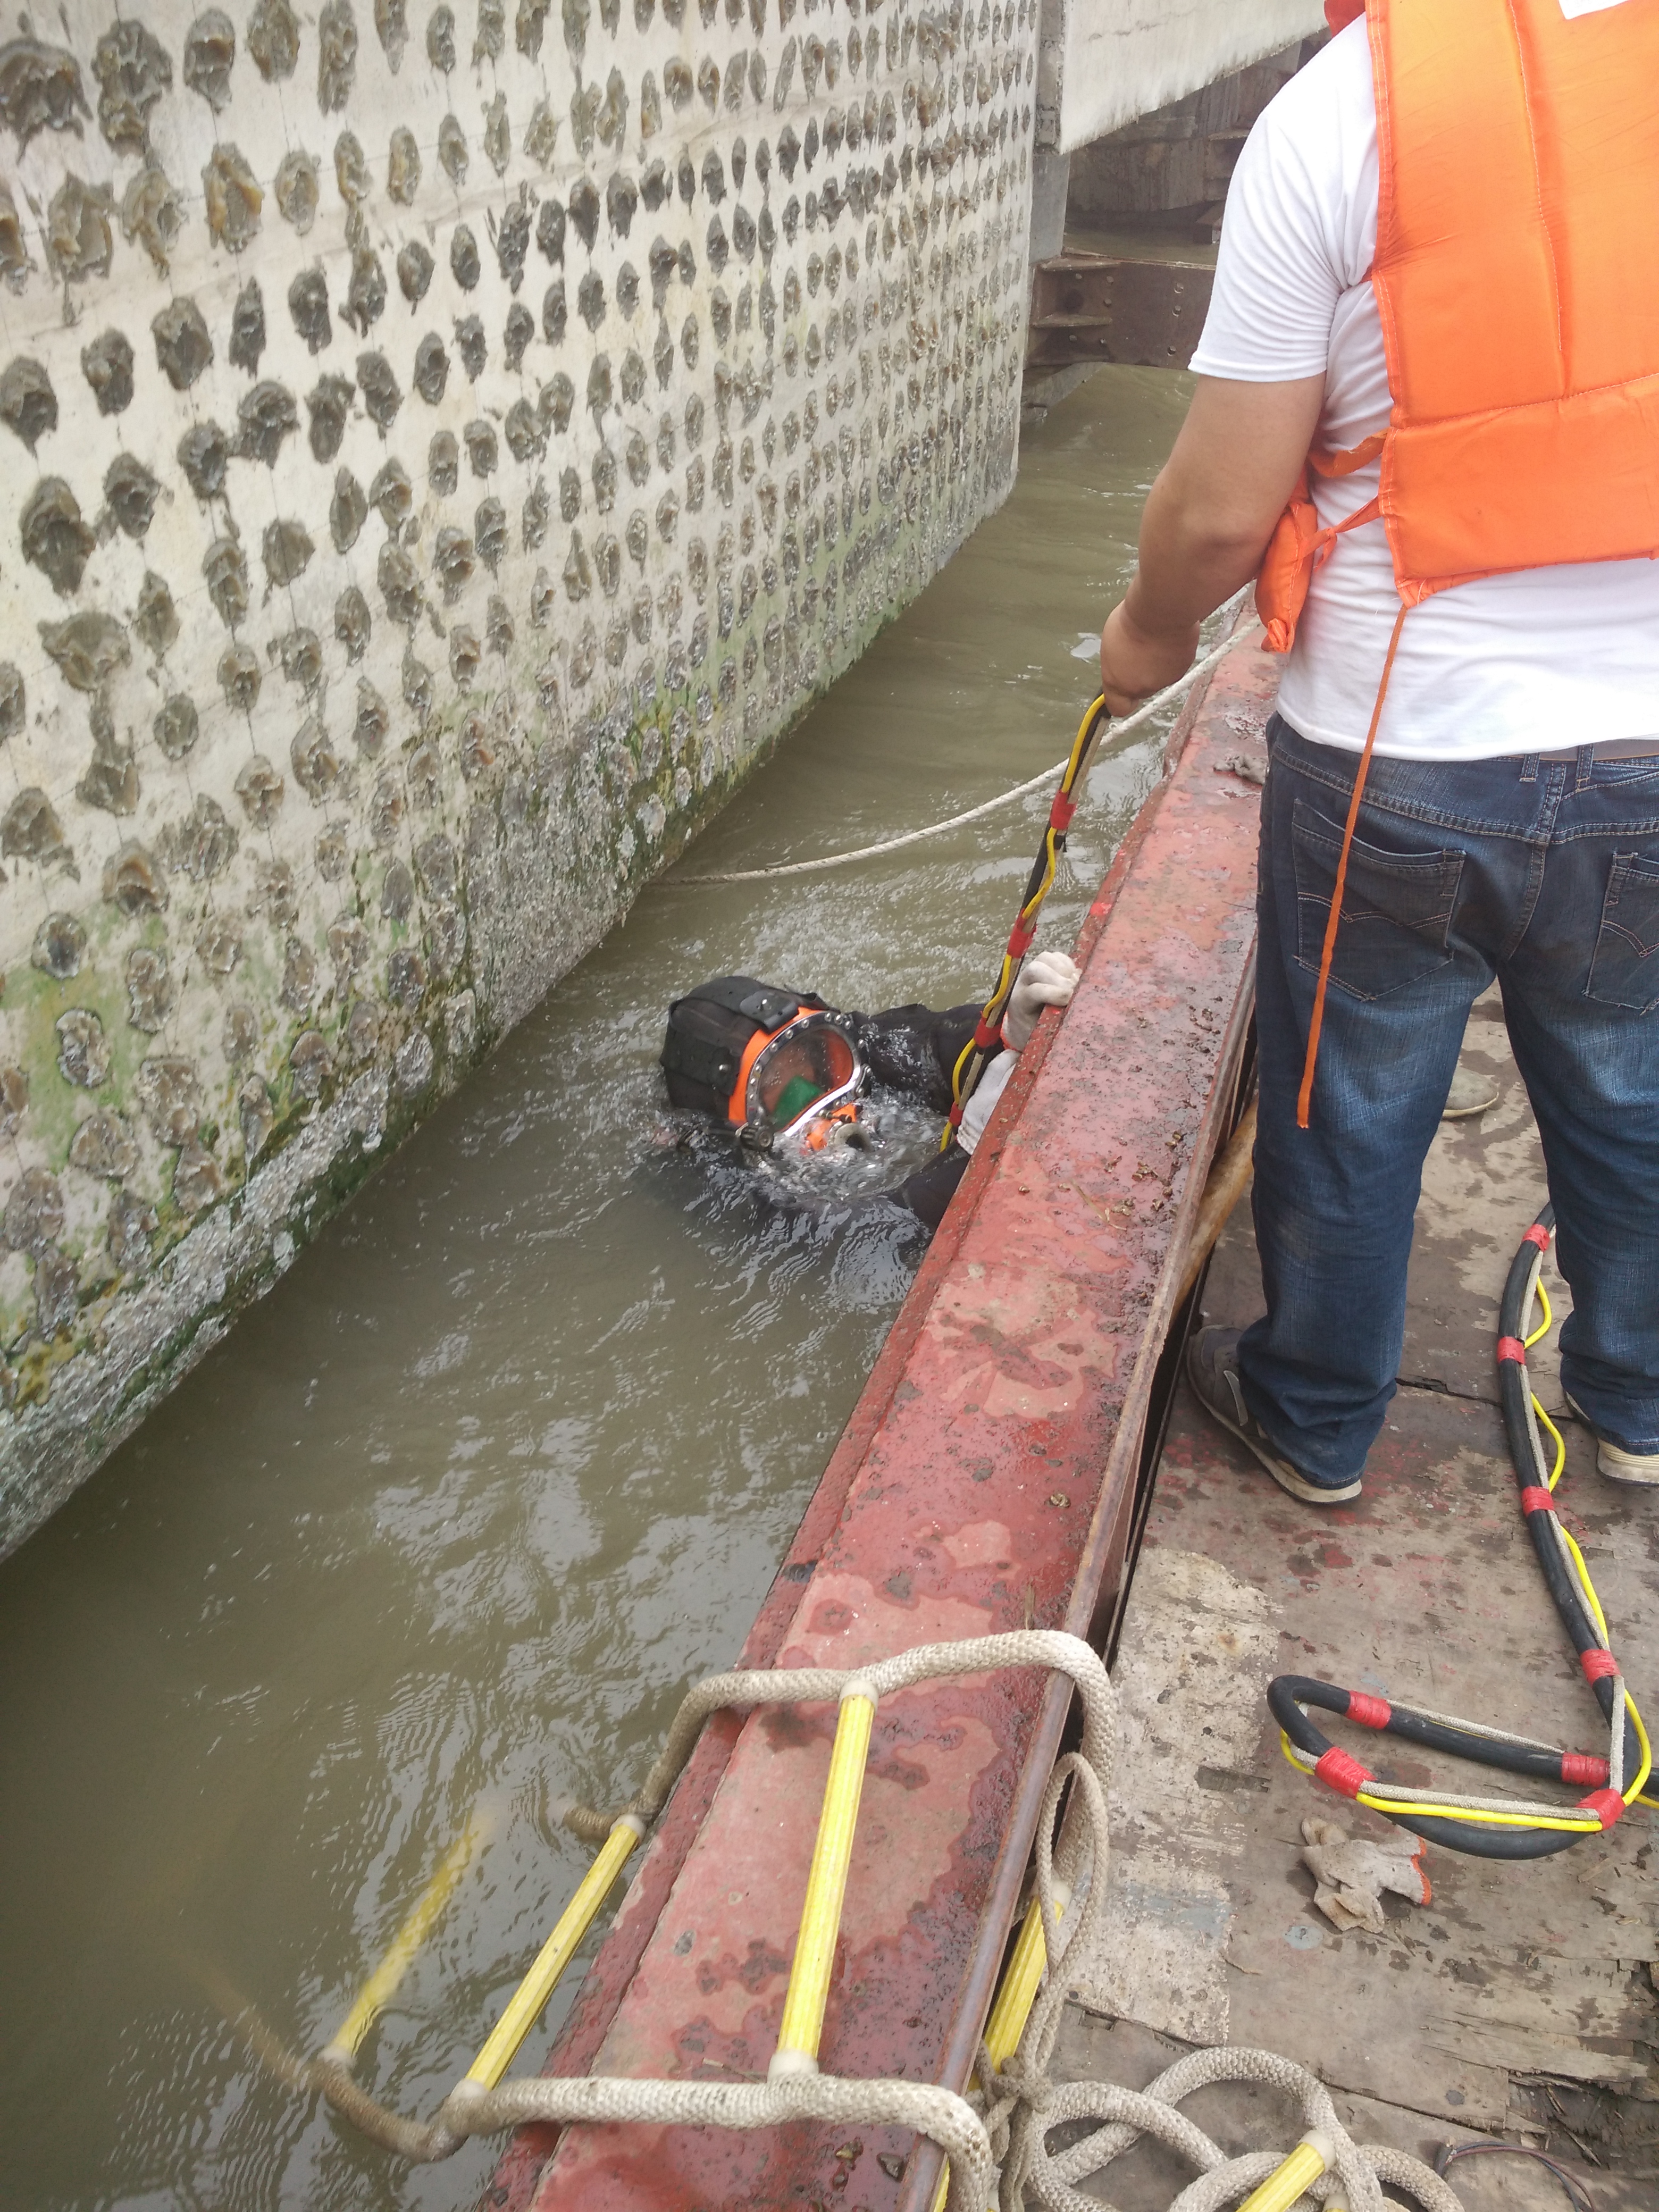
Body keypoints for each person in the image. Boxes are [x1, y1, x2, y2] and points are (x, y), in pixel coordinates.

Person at [1097, 0, 1659, 1503]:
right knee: (1632, 1087)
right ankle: (1639, 1403)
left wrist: (1146, 637)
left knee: (1351, 1103)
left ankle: (1321, 1419)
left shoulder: (1344, 113)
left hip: (1402, 749)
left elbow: (1223, 508)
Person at [659, 951, 1079, 1231]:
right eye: (775, 1085)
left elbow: (930, 1045)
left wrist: (1004, 1035)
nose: (808, 1090)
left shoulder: (854, 1056)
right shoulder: (741, 1187)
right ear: (742, 1127)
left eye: (807, 1058)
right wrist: (969, 1154)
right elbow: (884, 1230)